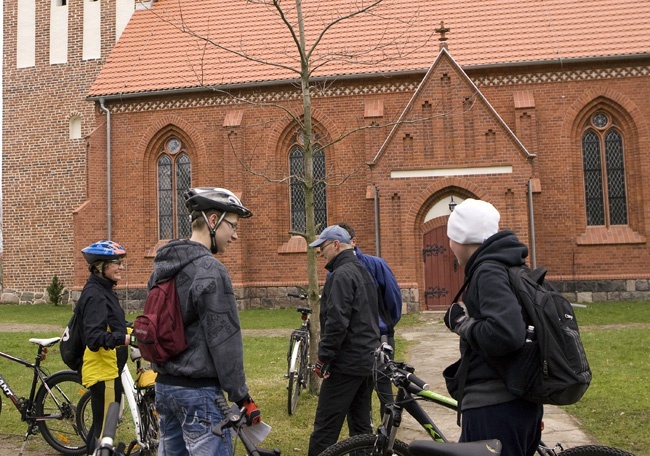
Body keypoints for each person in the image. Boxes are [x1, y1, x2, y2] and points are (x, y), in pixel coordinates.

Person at [149, 187, 261, 456]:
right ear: (213, 221)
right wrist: (241, 396)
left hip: (164, 387)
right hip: (199, 394)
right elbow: (225, 340)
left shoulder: (161, 268)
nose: (234, 235)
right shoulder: (210, 270)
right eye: (232, 226)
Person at [443, 198, 543, 456]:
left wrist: (461, 324)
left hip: (495, 407)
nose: (449, 245)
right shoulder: (510, 264)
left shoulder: (488, 270)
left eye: (451, 237)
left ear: (461, 239)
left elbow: (507, 334)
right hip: (517, 400)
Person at [307, 225, 381, 456]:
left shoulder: (340, 275)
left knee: (326, 429)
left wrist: (323, 358)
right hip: (367, 361)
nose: (320, 253)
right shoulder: (362, 271)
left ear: (336, 245)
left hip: (346, 364)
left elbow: (337, 322)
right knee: (360, 429)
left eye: (322, 247)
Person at [337, 222, 402, 415]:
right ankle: (363, 438)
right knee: (359, 394)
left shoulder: (376, 265)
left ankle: (387, 435)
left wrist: (385, 326)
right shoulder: (337, 269)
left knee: (384, 389)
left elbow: (393, 298)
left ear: (353, 242)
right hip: (353, 343)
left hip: (380, 338)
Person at [78, 240, 133, 455]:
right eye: (116, 262)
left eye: (121, 262)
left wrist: (131, 330)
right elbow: (94, 337)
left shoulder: (104, 289)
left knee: (101, 428)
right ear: (100, 266)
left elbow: (112, 323)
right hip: (104, 372)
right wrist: (124, 340)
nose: (121, 266)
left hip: (110, 370)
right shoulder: (95, 295)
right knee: (103, 433)